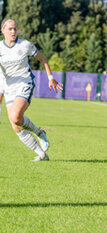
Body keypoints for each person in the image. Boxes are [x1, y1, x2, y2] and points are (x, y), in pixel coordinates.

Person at [0, 18, 63, 161]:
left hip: (25, 84)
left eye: (15, 29)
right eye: (10, 29)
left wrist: (50, 78)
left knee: (15, 116)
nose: (13, 31)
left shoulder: (25, 45)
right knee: (16, 125)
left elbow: (43, 59)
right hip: (9, 87)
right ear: (2, 30)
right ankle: (41, 154)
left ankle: (39, 133)